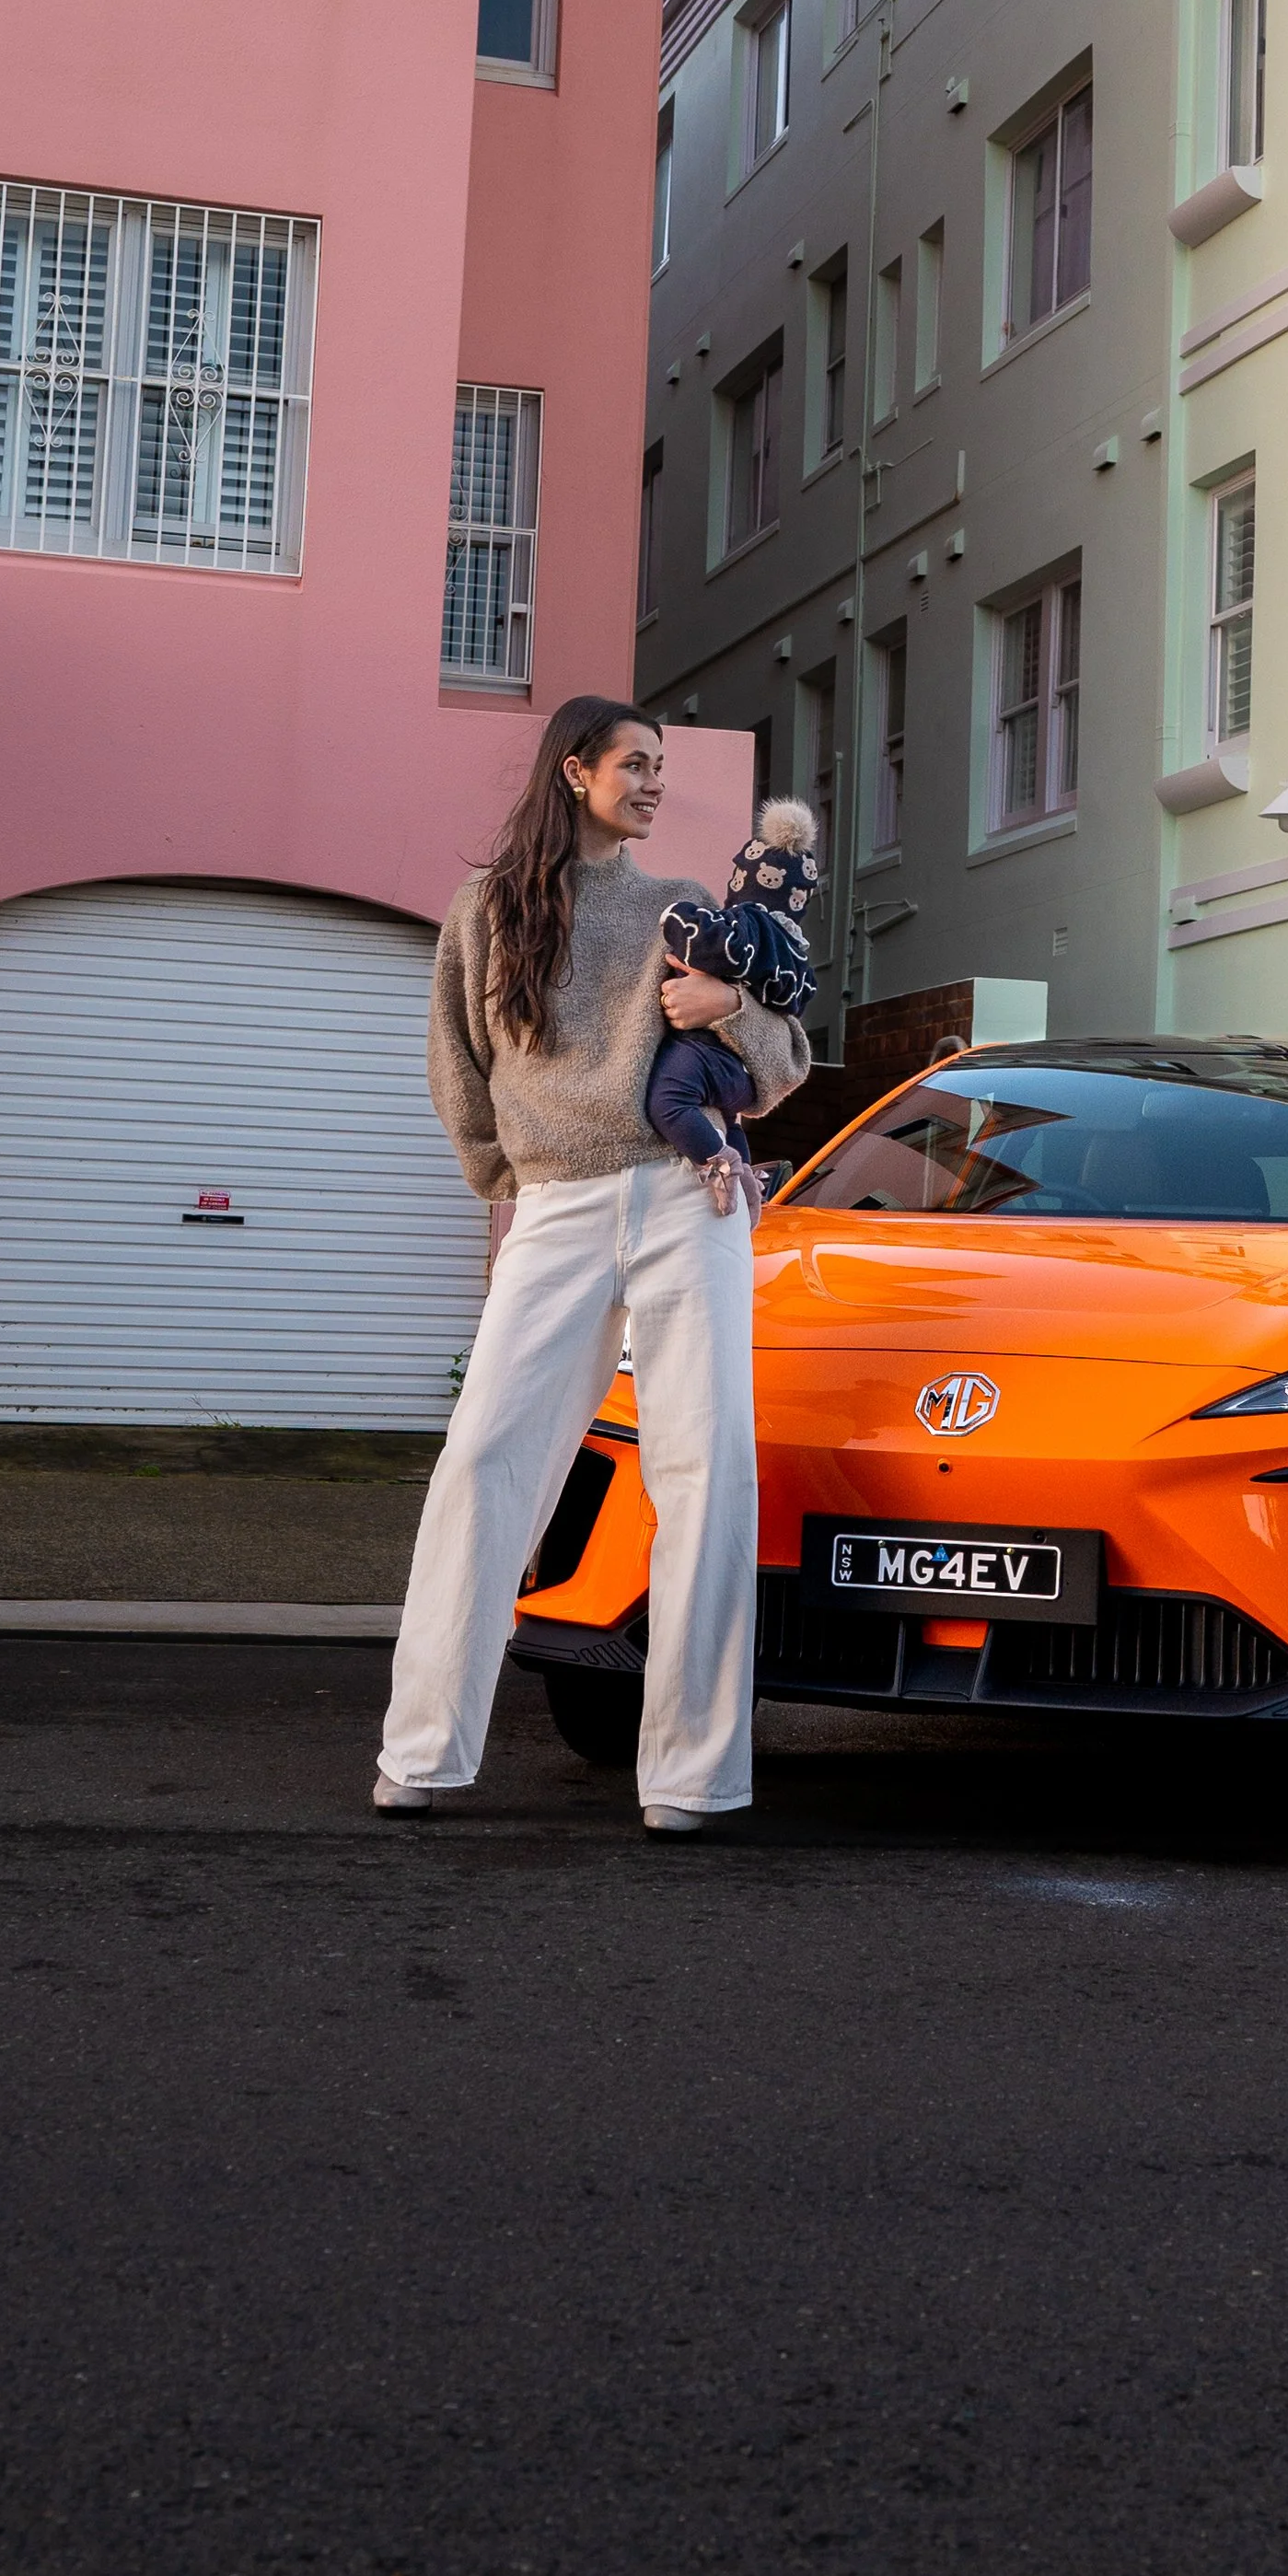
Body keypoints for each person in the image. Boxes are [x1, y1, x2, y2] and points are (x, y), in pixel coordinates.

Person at [375, 698, 808, 1835]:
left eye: (663, 766)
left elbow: (783, 1054)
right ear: (575, 771)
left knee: (705, 1473)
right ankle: (420, 1752)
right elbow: (457, 1068)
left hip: (687, 1201)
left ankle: (692, 1779)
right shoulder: (486, 907)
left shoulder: (683, 907)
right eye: (636, 764)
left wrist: (729, 1011)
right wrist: (504, 1185)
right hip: (557, 1205)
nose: (656, 783)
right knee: (485, 1462)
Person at [644, 798, 820, 1220]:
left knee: (668, 1100)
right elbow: (797, 998)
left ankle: (716, 1163)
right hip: (741, 1074)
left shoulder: (751, 924)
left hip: (710, 1054)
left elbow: (718, 944)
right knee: (730, 1118)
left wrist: (678, 916)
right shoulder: (795, 950)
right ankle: (747, 1194)